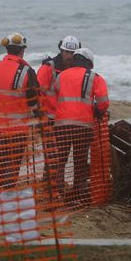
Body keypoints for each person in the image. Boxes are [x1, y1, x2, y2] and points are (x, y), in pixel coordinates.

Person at [0, 32, 40, 194]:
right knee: (13, 163)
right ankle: (7, 196)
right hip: (17, 128)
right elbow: (33, 101)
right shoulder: (26, 72)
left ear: (7, 49)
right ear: (22, 51)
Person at [54, 47, 109, 206]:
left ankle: (57, 194)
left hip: (61, 125)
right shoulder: (95, 77)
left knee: (61, 160)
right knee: (80, 162)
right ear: (88, 63)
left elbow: (56, 96)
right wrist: (97, 112)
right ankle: (77, 197)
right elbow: (103, 102)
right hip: (83, 126)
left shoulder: (61, 76)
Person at [37, 35, 81, 197]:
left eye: (72, 52)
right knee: (52, 154)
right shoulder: (49, 67)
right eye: (66, 51)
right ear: (60, 50)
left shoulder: (75, 69)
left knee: (60, 155)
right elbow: (37, 91)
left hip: (64, 119)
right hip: (48, 118)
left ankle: (55, 186)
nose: (68, 55)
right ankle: (50, 188)